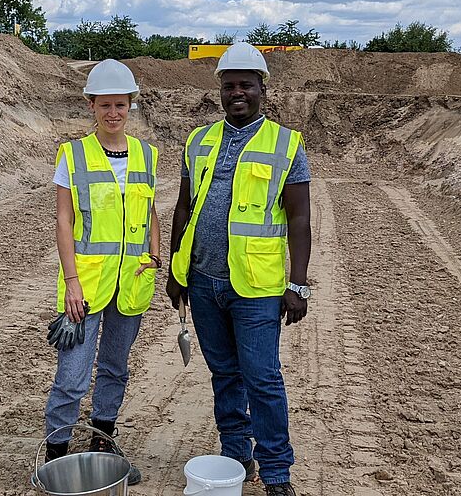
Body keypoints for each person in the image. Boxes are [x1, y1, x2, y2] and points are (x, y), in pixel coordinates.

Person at [166, 43, 311, 496]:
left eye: (246, 84)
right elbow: (183, 207)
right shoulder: (199, 140)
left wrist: (299, 284)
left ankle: (277, 473)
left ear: (263, 89)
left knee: (262, 378)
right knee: (224, 374)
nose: (237, 92)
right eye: (229, 86)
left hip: (256, 286)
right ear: (220, 91)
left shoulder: (286, 144)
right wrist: (176, 270)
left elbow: (301, 218)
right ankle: (235, 455)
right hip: (204, 281)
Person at [41, 59, 159, 486]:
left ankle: (102, 439)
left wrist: (155, 255)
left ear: (131, 106)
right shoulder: (72, 155)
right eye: (105, 105)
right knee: (72, 375)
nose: (113, 113)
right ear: (91, 105)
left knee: (115, 367)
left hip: (131, 283)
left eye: (121, 106)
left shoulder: (147, 154)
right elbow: (63, 221)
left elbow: (149, 212)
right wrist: (71, 281)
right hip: (85, 285)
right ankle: (54, 451)